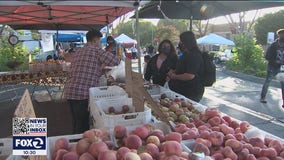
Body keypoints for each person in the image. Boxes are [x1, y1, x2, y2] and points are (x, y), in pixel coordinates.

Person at [64, 30, 120, 134]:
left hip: (70, 91)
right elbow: (116, 61)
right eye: (99, 41)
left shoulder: (79, 51)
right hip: (82, 93)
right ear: (95, 40)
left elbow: (85, 68)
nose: (100, 43)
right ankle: (79, 145)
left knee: (76, 122)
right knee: (83, 125)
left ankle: (75, 142)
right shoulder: (96, 50)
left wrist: (99, 69)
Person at [167, 31, 204, 102]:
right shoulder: (187, 53)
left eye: (181, 41)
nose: (180, 43)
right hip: (182, 90)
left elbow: (189, 75)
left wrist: (174, 76)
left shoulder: (194, 55)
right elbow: (184, 68)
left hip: (191, 92)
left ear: (187, 41)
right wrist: (174, 71)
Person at [260, 28, 284, 108]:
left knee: (283, 84)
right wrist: (274, 63)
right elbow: (267, 56)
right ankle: (263, 97)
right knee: (267, 82)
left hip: (282, 68)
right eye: (282, 34)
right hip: (272, 67)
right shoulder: (273, 45)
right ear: (279, 35)